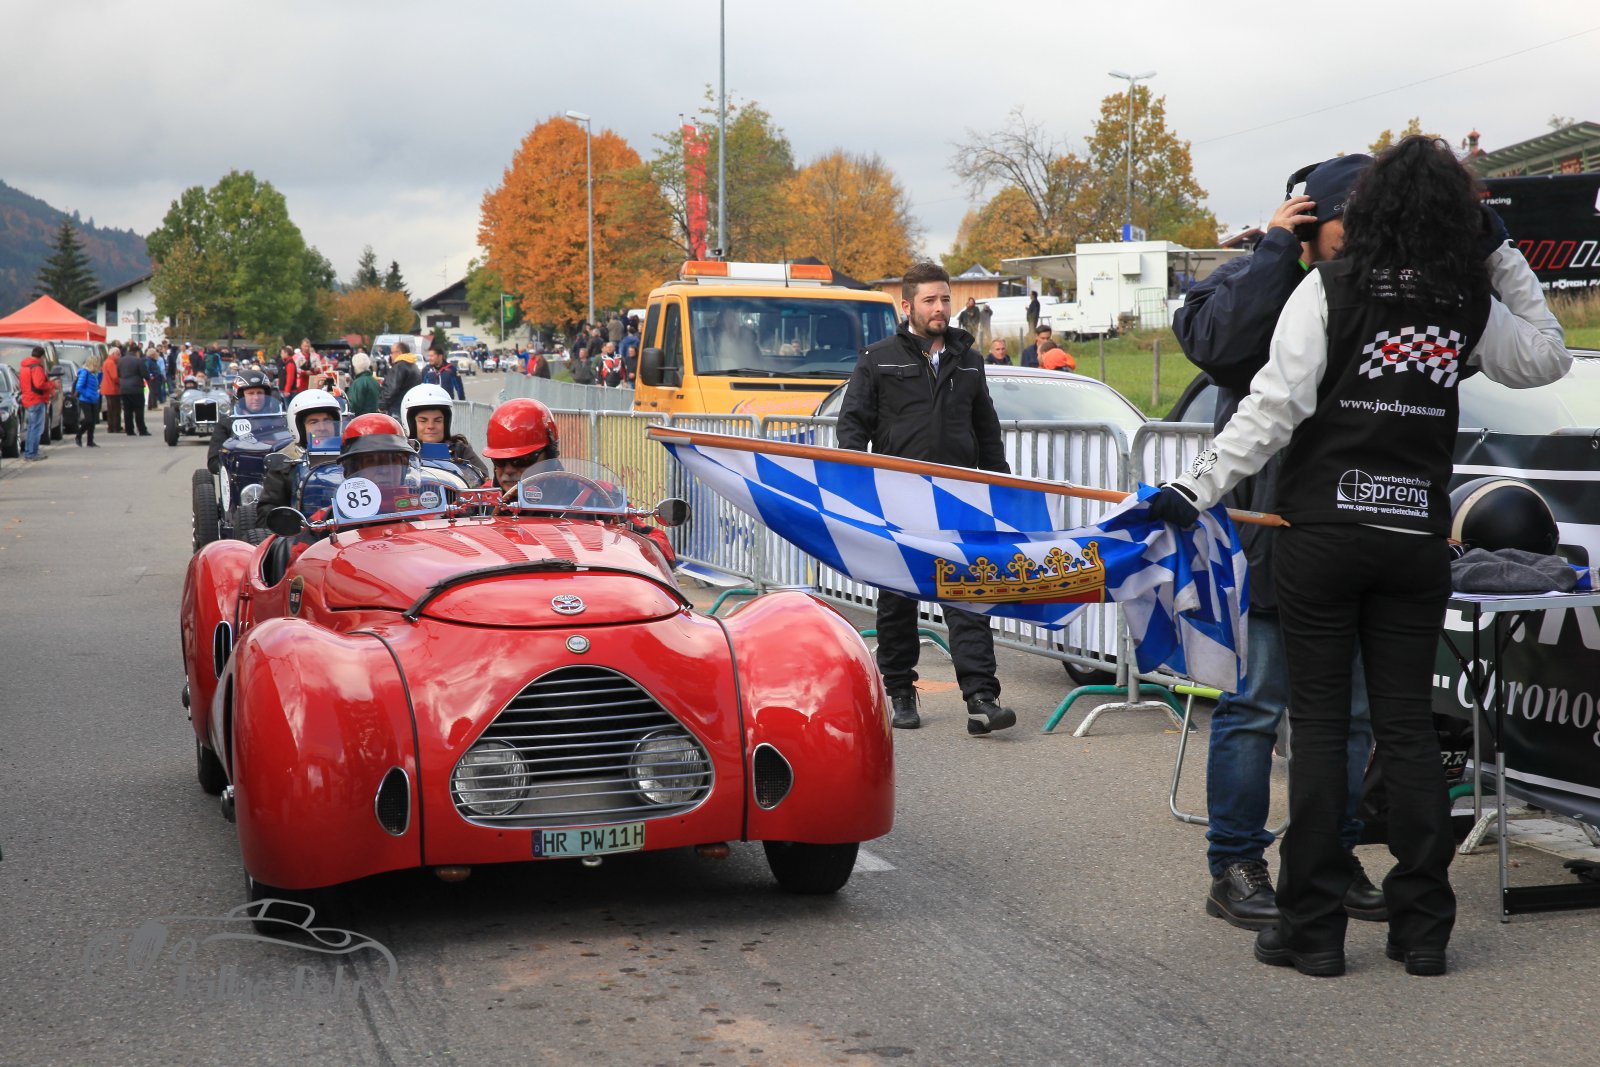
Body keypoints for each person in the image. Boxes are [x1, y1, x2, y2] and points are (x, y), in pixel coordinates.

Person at [1153, 135, 1571, 978]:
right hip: (1414, 541)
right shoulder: (1463, 302)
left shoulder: (1328, 288)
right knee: (1405, 729)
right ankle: (1424, 929)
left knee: (1316, 732)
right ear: (1456, 218)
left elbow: (1272, 408)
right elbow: (1547, 353)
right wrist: (1497, 250)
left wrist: (1195, 487)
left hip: (1323, 538)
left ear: (1369, 210)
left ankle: (1311, 929)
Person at [1172, 153, 1384, 934]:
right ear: (1306, 218)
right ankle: (1235, 863)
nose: (1359, 236)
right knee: (1255, 707)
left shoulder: (1382, 284)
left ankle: (1331, 854)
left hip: (1351, 530)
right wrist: (1273, 254)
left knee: (1354, 715)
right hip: (1264, 532)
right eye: (1345, 220)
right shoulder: (1248, 276)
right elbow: (1221, 348)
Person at [837, 260, 1015, 737]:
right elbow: (852, 427)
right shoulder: (877, 358)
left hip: (959, 498)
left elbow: (987, 431)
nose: (940, 308)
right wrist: (858, 486)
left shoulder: (968, 359)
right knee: (898, 598)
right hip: (899, 498)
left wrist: (1000, 488)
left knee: (968, 594)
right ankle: (899, 689)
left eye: (945, 299)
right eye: (930, 300)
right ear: (907, 306)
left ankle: (982, 699)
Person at [255, 388, 343, 522]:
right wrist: (291, 525)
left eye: (327, 420)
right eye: (313, 422)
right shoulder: (285, 461)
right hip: (305, 531)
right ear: (299, 428)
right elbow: (267, 512)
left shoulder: (350, 455)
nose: (322, 428)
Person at [402, 383, 488, 485]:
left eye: (437, 421)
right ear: (411, 423)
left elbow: (483, 478)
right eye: (423, 421)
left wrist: (461, 470)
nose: (430, 426)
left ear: (446, 423)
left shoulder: (459, 450)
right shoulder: (401, 452)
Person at [480, 397, 561, 493]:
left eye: (522, 460)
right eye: (499, 461)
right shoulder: (481, 498)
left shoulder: (574, 496)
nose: (509, 470)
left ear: (549, 455)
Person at [207, 370, 280, 473]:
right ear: (240, 396)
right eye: (250, 393)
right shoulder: (227, 422)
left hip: (275, 472)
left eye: (260, 393)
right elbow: (213, 462)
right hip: (242, 474)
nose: (256, 398)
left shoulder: (278, 420)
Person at [19, 345, 55, 461]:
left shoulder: (24, 367)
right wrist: (52, 384)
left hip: (28, 399)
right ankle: (32, 453)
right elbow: (39, 384)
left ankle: (29, 452)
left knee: (31, 428)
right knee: (36, 428)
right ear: (42, 356)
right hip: (37, 400)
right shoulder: (36, 368)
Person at [379, 341, 422, 418]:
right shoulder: (414, 366)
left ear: (399, 353)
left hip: (397, 407)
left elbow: (391, 389)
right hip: (411, 406)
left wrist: (382, 405)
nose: (390, 355)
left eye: (392, 352)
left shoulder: (399, 367)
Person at [117, 343, 148, 435]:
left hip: (124, 388)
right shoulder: (138, 361)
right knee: (139, 410)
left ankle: (129, 430)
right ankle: (142, 430)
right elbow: (145, 374)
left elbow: (118, 373)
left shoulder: (120, 361)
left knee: (127, 410)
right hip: (136, 388)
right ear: (136, 352)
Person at [74, 350, 102, 447]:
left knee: (93, 421)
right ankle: (79, 435)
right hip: (85, 399)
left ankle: (90, 441)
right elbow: (79, 387)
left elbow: (98, 384)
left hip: (94, 399)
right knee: (88, 420)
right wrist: (88, 394)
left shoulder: (95, 374)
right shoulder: (85, 373)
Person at [102, 345, 122, 430]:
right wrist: (121, 382)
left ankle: (111, 426)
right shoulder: (111, 363)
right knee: (115, 409)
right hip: (112, 389)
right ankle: (116, 427)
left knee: (111, 409)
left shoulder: (107, 361)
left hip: (108, 388)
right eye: (118, 354)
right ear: (113, 354)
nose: (120, 356)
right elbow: (114, 377)